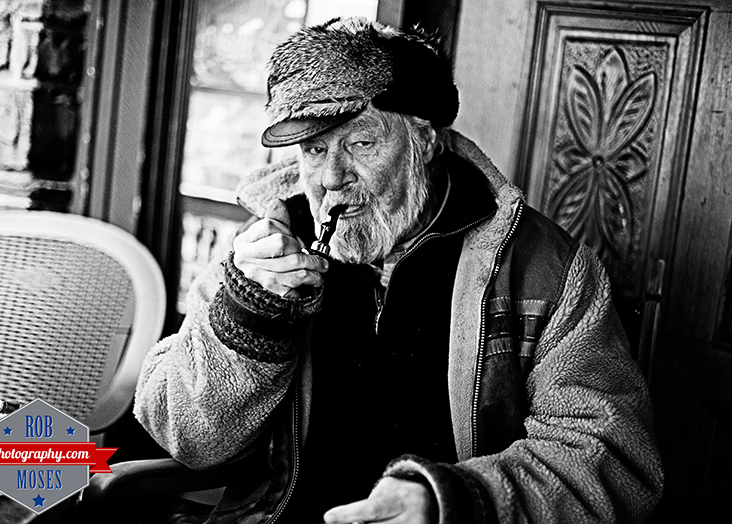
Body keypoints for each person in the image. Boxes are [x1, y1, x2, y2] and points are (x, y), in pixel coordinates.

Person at [134, 17, 664, 524]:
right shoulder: (268, 245)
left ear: (425, 139)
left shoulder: (543, 268)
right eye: (314, 148)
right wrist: (248, 316)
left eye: (361, 142)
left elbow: (612, 458)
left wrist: (455, 502)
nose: (332, 178)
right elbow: (187, 438)